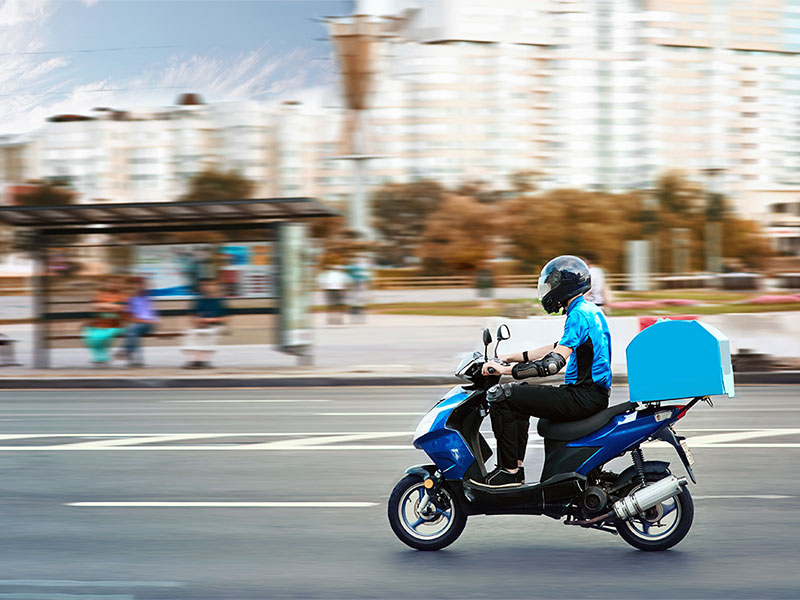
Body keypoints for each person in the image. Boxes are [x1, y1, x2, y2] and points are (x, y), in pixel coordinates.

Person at [475, 255, 612, 488]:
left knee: (503, 395)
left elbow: (552, 364)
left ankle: (510, 472)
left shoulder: (579, 314)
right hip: (590, 394)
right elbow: (555, 347)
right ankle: (514, 467)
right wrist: (510, 356)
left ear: (565, 286)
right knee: (520, 396)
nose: (549, 291)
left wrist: (506, 370)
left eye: (552, 285)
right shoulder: (587, 310)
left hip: (583, 396)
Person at [181, 279, 228, 369]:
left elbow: (225, 318)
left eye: (211, 285)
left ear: (216, 288)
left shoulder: (220, 301)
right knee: (191, 333)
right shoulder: (198, 300)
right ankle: (194, 360)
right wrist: (197, 322)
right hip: (200, 325)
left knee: (210, 334)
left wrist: (209, 320)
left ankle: (205, 360)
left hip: (216, 325)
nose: (208, 287)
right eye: (206, 285)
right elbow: (192, 316)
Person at [83, 276, 128, 366]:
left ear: (121, 285)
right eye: (112, 282)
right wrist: (113, 307)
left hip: (115, 325)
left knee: (101, 336)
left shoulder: (123, 297)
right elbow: (94, 307)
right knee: (89, 335)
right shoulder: (100, 295)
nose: (114, 285)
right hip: (98, 324)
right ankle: (99, 357)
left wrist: (104, 306)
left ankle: (103, 357)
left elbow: (122, 308)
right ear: (107, 284)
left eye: (117, 283)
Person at [118, 276, 159, 367]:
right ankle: (137, 361)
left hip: (150, 325)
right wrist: (139, 320)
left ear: (145, 285)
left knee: (132, 329)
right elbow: (128, 316)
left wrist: (144, 320)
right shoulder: (131, 299)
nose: (139, 286)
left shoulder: (149, 297)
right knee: (133, 331)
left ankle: (125, 350)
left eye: (141, 284)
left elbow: (152, 318)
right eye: (137, 284)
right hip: (137, 324)